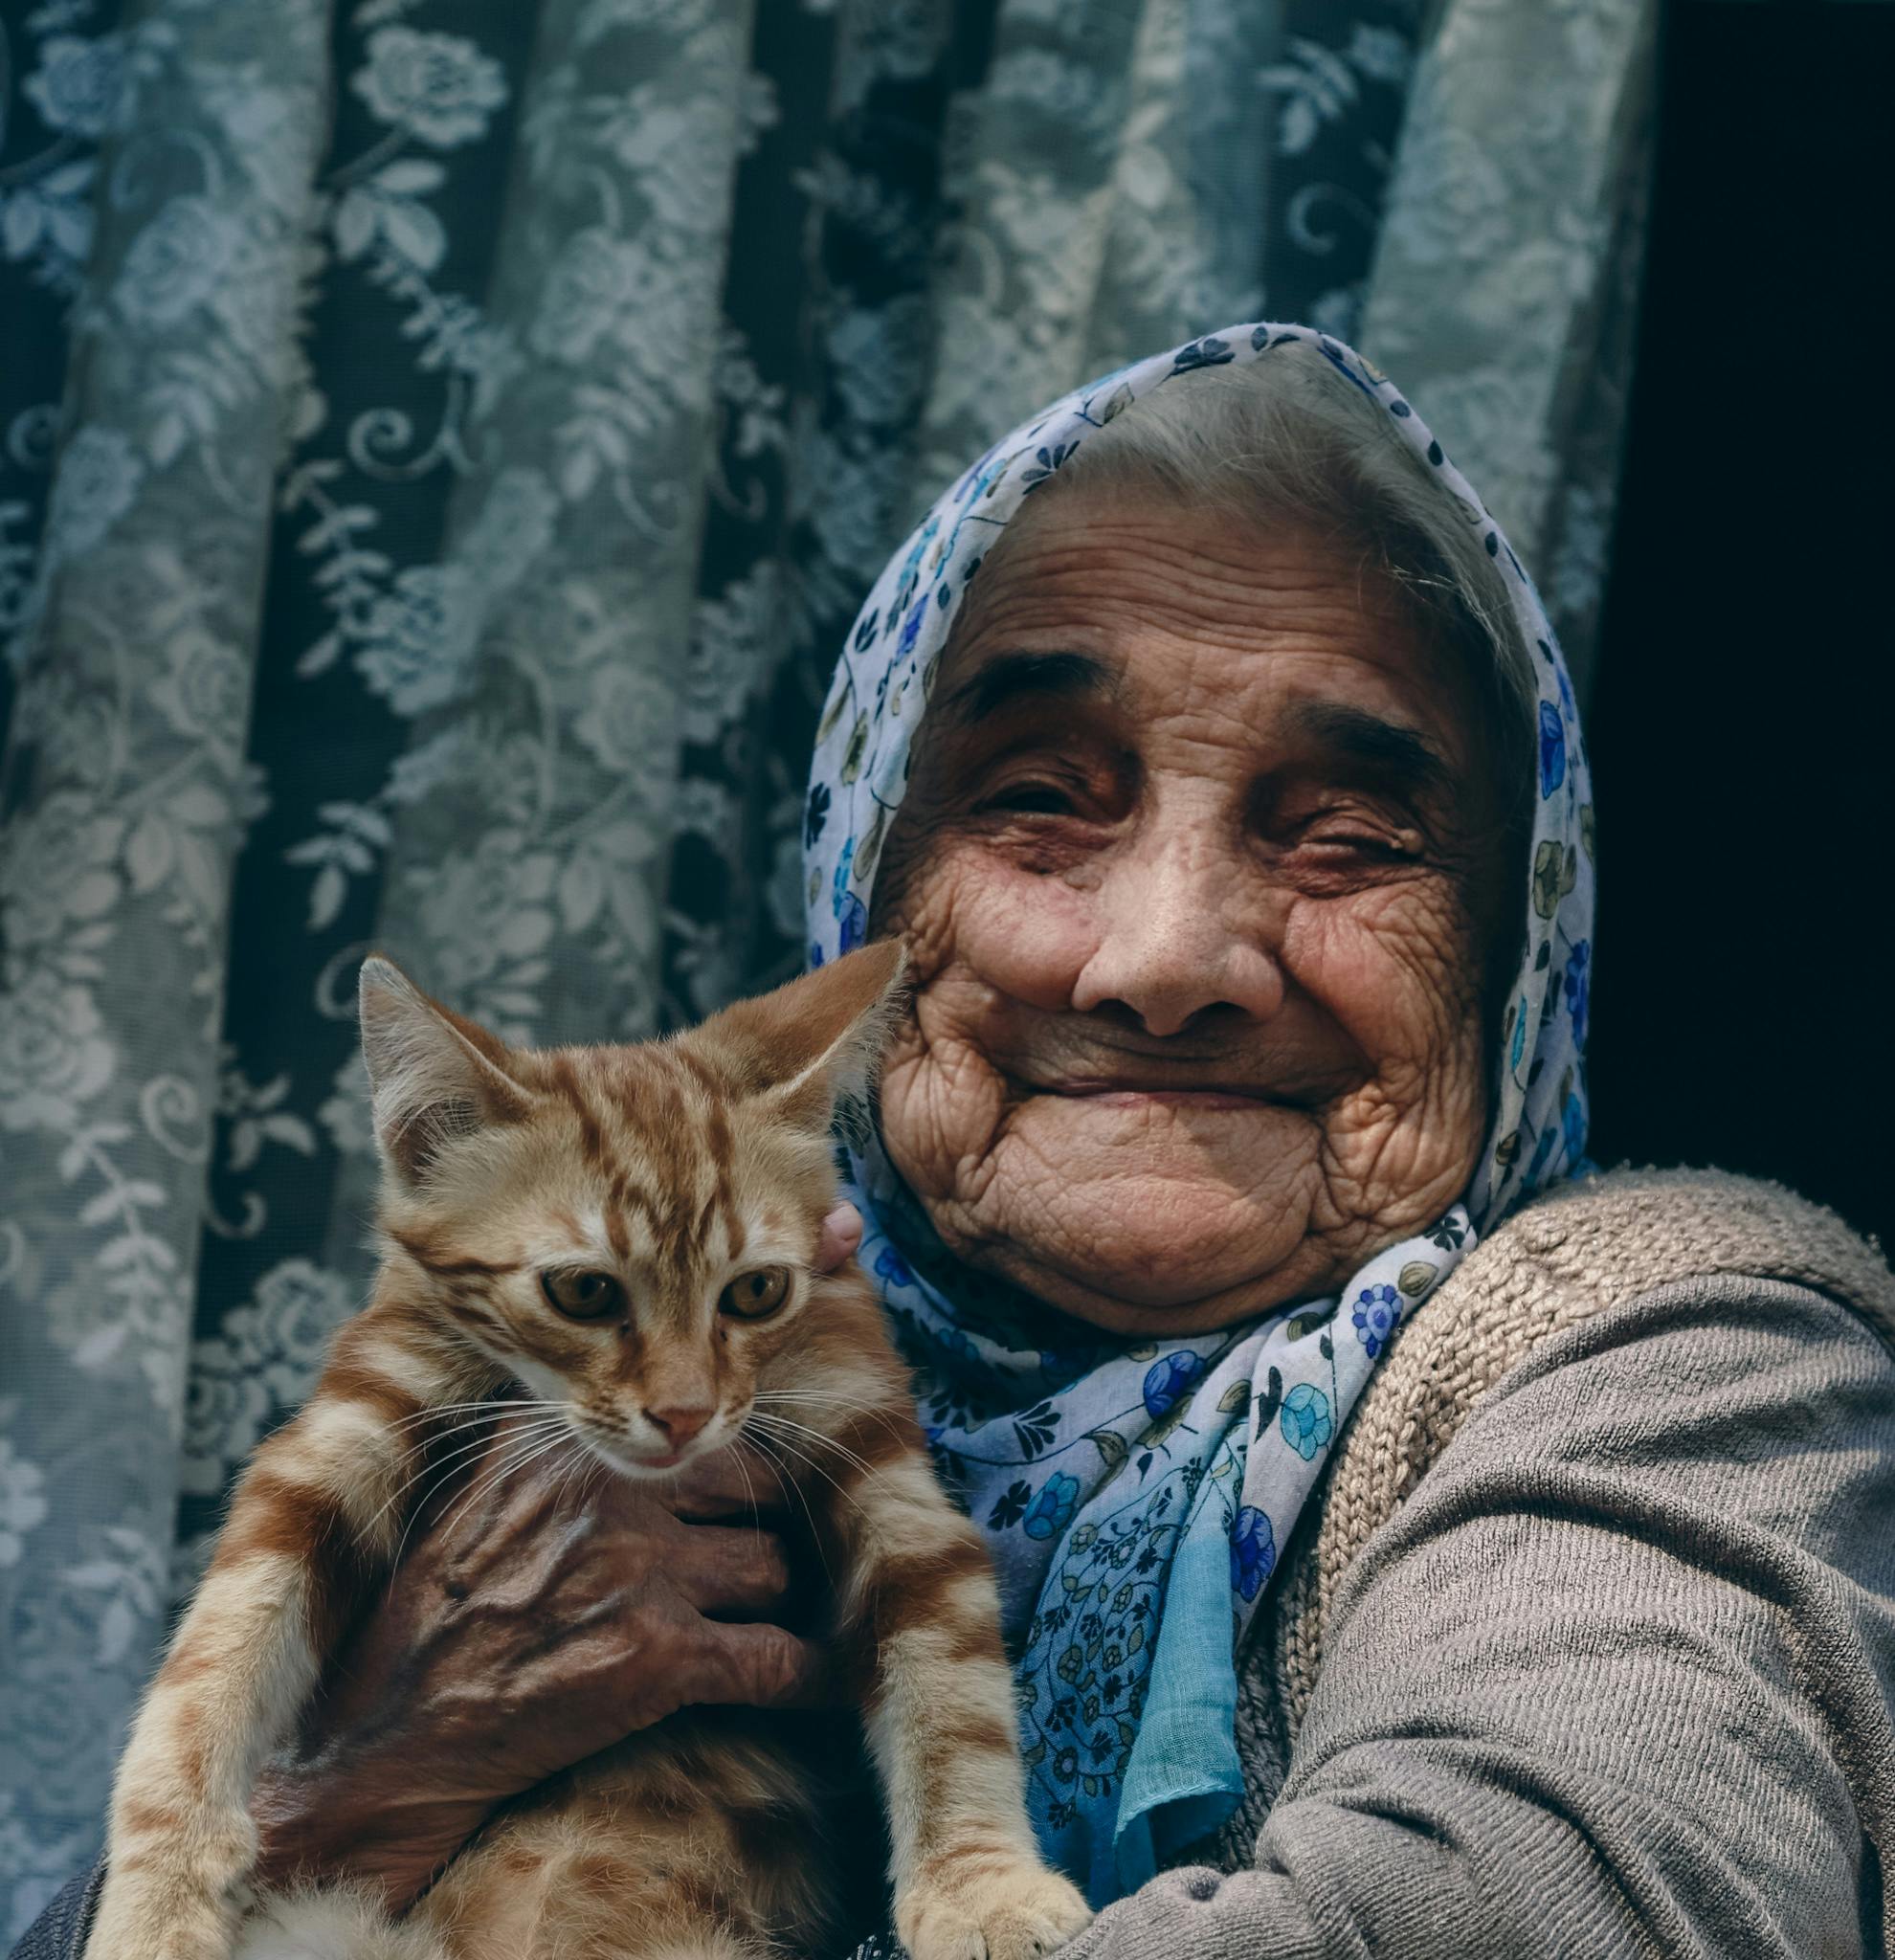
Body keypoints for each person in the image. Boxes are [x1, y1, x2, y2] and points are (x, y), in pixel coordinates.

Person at [18, 327, 1894, 1960]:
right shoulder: (622, 1348)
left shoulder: (1658, 1343)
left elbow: (1545, 1914)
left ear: (1515, 962)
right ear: (867, 887)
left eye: (1348, 836)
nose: (1165, 961)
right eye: (1039, 803)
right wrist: (358, 1779)